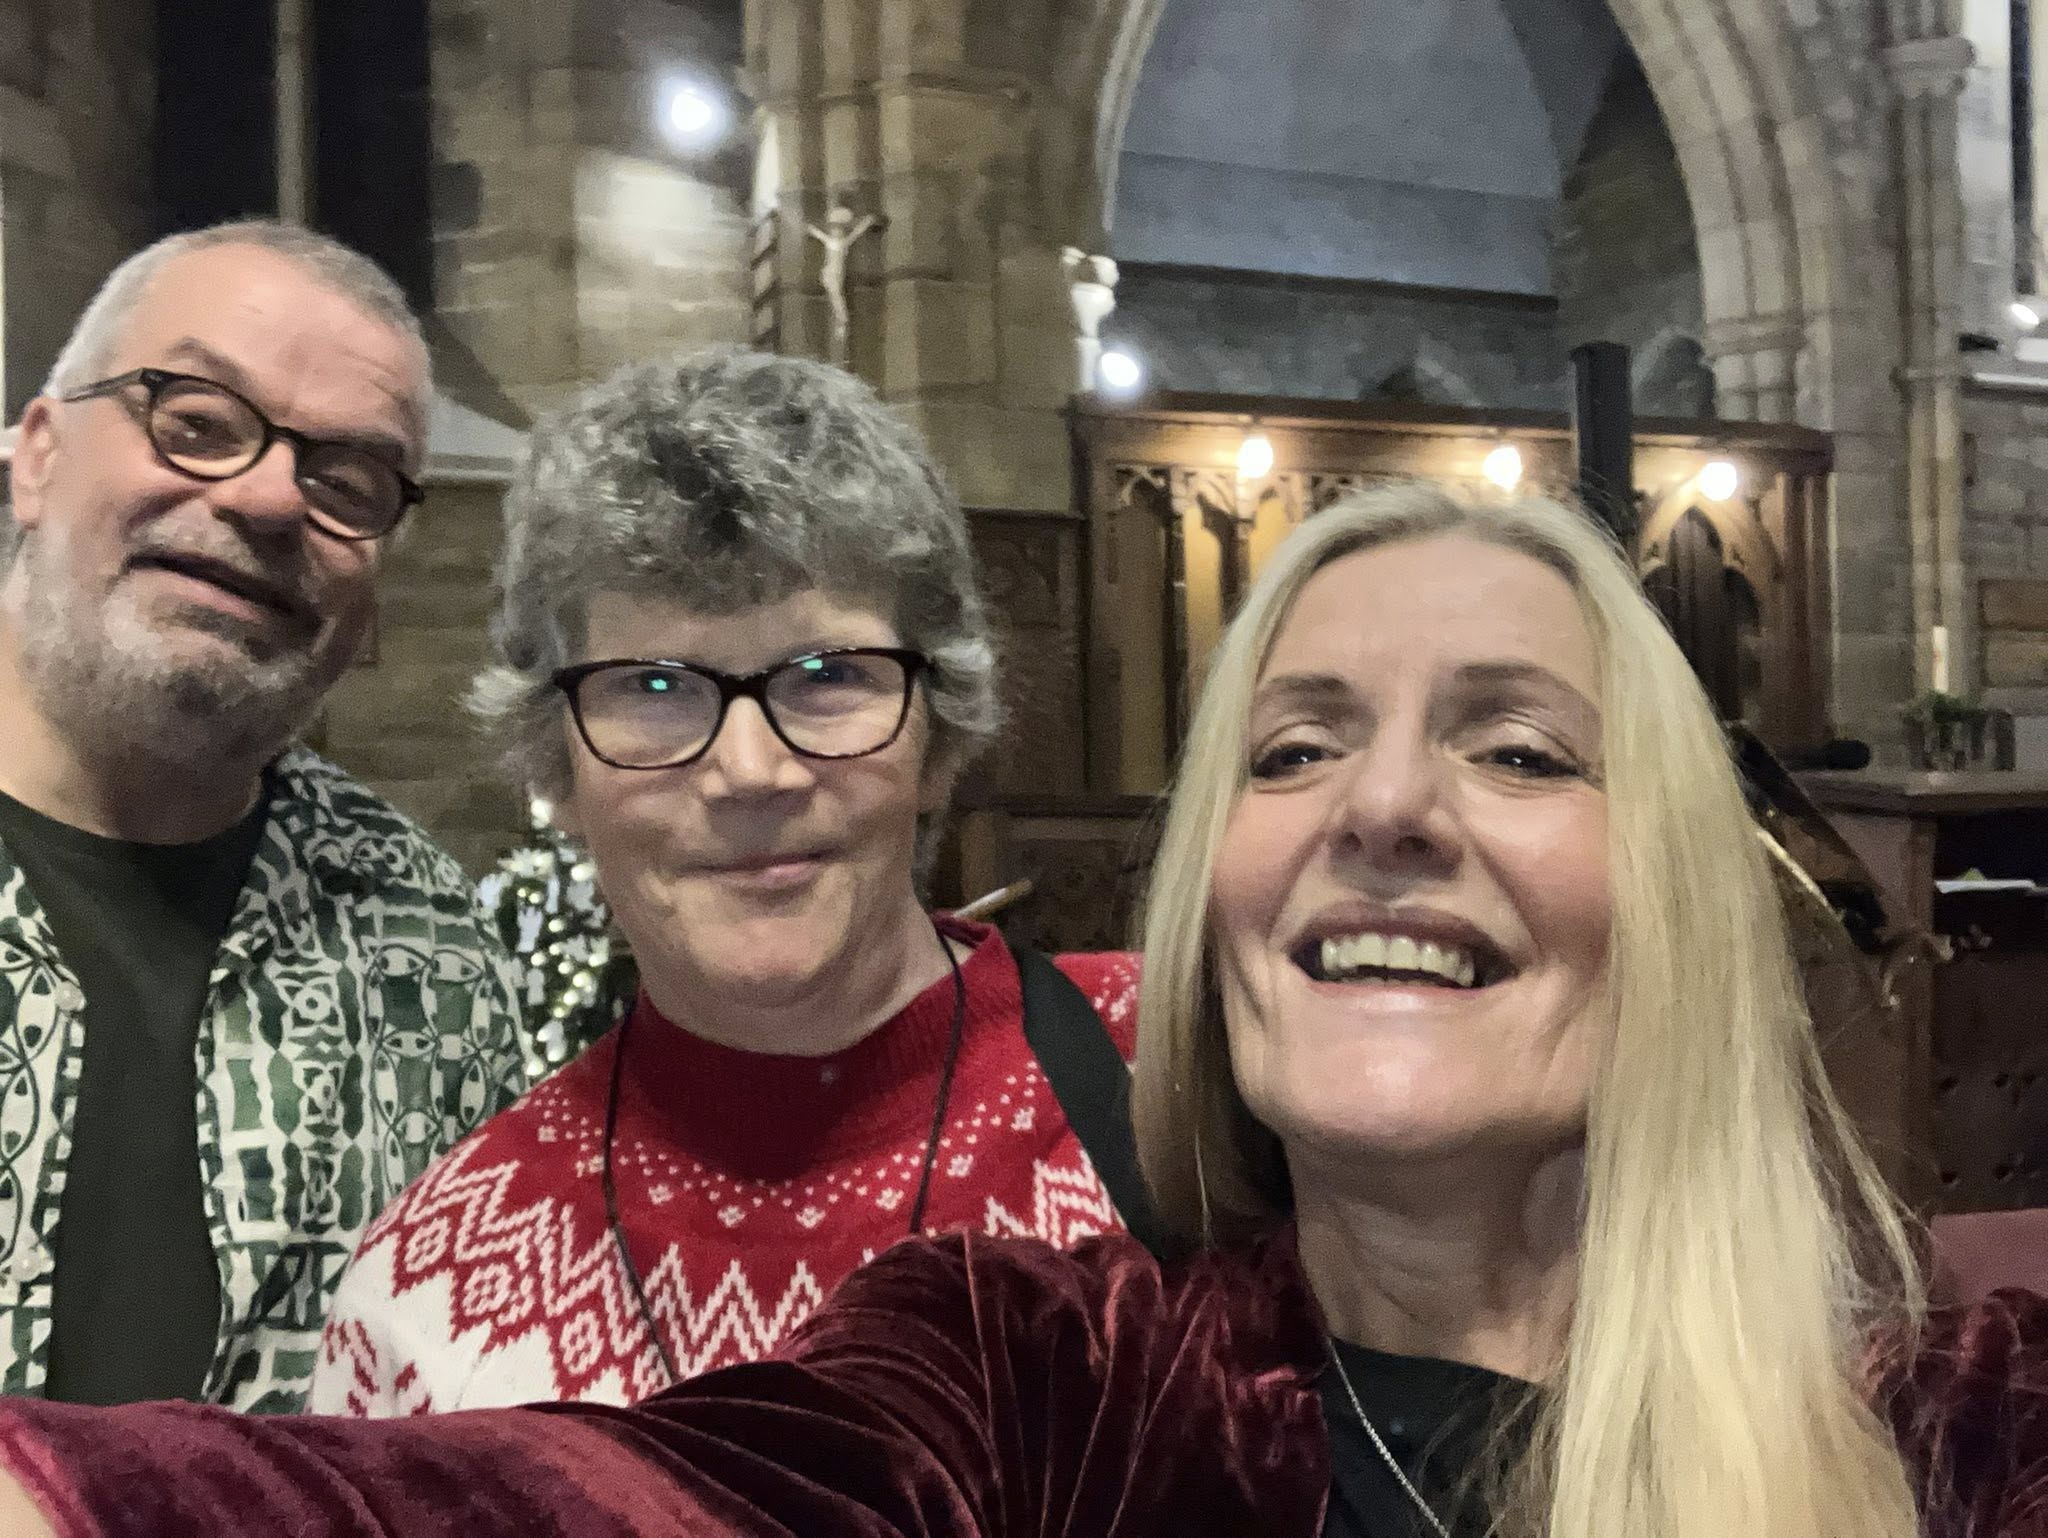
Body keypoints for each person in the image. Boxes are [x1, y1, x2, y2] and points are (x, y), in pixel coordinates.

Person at [2, 481, 2041, 1538]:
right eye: (1295, 746)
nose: (1386, 809)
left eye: (1518, 749)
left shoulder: (1961, 1422)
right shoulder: (1046, 1382)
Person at [304, 349, 1141, 1414]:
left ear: (938, 737)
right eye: (654, 687)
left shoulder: (1189, 1086)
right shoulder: (425, 1294)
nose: (751, 771)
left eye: (828, 675)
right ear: (556, 769)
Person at [0, 221, 524, 1412]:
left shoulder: (423, 940)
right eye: (194, 420)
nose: (269, 495)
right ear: (37, 455)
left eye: (348, 481)